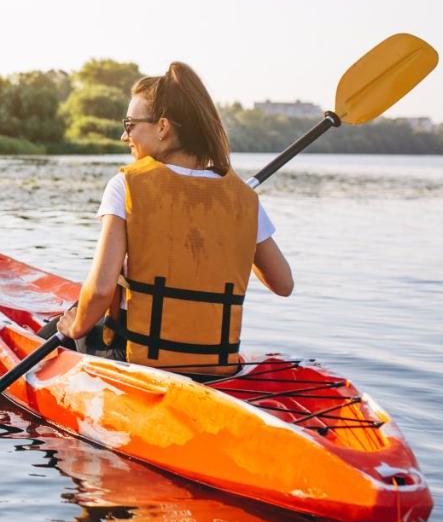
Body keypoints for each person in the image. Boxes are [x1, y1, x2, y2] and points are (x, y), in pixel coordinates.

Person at [53, 62, 293, 377]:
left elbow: (99, 291)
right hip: (215, 366)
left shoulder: (126, 185)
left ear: (163, 127)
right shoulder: (241, 198)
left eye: (130, 123)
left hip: (138, 360)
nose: (126, 136)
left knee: (62, 326)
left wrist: (76, 327)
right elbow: (283, 283)